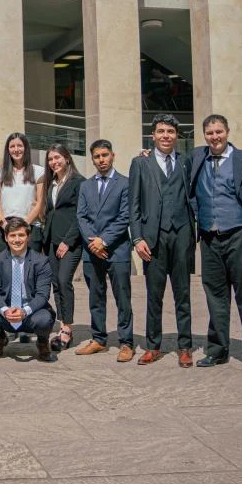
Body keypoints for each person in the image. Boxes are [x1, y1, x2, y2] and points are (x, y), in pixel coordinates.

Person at [190, 114, 242, 376]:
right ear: (204, 135)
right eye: (210, 133)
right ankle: (217, 350)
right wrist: (147, 154)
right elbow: (167, 160)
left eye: (219, 132)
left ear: (227, 131)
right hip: (210, 238)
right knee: (215, 297)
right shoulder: (196, 158)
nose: (215, 137)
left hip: (240, 235)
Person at [128, 113, 195, 368]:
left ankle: (185, 347)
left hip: (181, 235)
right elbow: (133, 204)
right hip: (152, 239)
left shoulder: (186, 162)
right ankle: (153, 346)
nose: (166, 135)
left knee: (183, 294)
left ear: (177, 136)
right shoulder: (140, 163)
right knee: (154, 295)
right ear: (153, 135)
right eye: (161, 131)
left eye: (170, 131)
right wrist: (137, 238)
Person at [74, 139, 135, 362]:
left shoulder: (125, 183)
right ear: (93, 159)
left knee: (122, 298)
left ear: (113, 155)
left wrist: (104, 241)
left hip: (117, 250)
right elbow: (81, 216)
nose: (101, 160)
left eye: (105, 155)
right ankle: (98, 339)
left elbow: (124, 217)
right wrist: (94, 243)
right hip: (91, 252)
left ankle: (126, 342)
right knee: (96, 297)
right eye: (97, 156)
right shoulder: (85, 186)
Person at [0, 217, 56, 362]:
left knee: (45, 320)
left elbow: (42, 295)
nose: (17, 240)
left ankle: (42, 342)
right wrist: (4, 309)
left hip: (31, 312)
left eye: (21, 235)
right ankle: (0, 339)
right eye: (12, 235)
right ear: (6, 237)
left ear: (28, 237)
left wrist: (24, 311)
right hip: (6, 312)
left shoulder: (41, 261)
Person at [40, 143, 85, 352]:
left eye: (57, 158)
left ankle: (67, 328)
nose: (54, 162)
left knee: (64, 280)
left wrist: (68, 241)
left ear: (67, 158)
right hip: (51, 240)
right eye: (50, 159)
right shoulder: (52, 183)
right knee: (55, 284)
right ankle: (61, 324)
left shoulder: (78, 182)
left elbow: (80, 215)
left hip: (70, 241)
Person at [0, 132, 45, 255]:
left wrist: (24, 226)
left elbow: (40, 202)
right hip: (4, 227)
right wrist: (5, 225)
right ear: (8, 150)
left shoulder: (38, 171)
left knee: (29, 271)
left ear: (25, 148)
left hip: (30, 226)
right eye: (12, 146)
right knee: (5, 271)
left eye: (19, 146)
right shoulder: (0, 172)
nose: (16, 149)